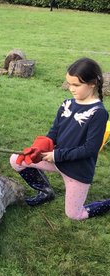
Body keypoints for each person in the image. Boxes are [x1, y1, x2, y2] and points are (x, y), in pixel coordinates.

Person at [10, 57, 109, 220]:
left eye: (76, 85)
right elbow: (54, 132)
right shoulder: (67, 104)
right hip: (55, 159)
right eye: (69, 83)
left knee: (75, 215)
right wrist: (39, 148)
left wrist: (56, 155)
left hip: (77, 170)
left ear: (92, 84)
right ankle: (46, 192)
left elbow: (90, 149)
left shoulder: (98, 113)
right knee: (17, 160)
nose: (71, 89)